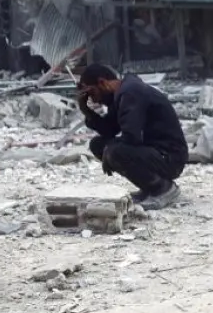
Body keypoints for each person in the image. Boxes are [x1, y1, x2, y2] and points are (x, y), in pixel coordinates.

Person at [77, 63, 188, 209]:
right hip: (155, 152)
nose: (95, 100)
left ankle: (163, 189)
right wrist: (86, 111)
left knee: (114, 151)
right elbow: (109, 130)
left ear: (102, 83)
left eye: (93, 93)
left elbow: (132, 137)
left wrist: (110, 150)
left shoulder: (131, 92)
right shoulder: (121, 93)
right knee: (98, 145)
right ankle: (149, 188)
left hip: (170, 157)